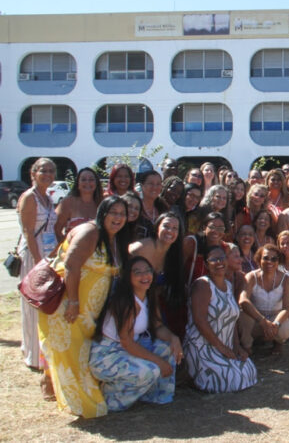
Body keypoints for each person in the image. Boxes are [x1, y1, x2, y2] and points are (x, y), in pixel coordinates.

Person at [39, 196, 129, 418]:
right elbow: (71, 264)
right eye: (113, 212)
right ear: (102, 213)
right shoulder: (91, 232)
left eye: (122, 214)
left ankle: (84, 400)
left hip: (88, 314)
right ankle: (82, 405)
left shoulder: (113, 237)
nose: (118, 218)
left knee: (81, 357)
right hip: (69, 308)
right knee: (71, 358)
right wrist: (73, 302)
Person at [89, 256, 182, 411]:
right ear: (128, 277)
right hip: (107, 354)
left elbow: (158, 326)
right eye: (137, 272)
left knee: (167, 348)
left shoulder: (148, 296)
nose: (144, 276)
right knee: (151, 371)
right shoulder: (127, 302)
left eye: (147, 271)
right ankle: (110, 399)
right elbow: (127, 342)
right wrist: (159, 362)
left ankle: (155, 396)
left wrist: (174, 338)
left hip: (128, 348)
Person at [184, 245, 257, 393]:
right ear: (206, 264)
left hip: (225, 346)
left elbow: (232, 320)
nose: (219, 262)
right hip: (203, 347)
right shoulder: (202, 285)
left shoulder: (228, 286)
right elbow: (200, 321)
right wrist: (221, 347)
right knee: (234, 379)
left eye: (222, 258)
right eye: (214, 259)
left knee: (249, 371)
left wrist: (236, 347)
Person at [18, 158, 58, 370]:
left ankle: (42, 351)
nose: (48, 174)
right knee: (33, 305)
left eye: (51, 171)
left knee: (44, 305)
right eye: (43, 170)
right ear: (33, 173)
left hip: (48, 256)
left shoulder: (48, 198)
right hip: (34, 257)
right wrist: (37, 262)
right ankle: (33, 356)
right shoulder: (29, 198)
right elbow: (28, 232)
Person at [129, 212, 186, 339]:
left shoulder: (173, 255)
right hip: (130, 305)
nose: (170, 231)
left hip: (152, 305)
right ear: (157, 227)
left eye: (175, 228)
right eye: (166, 226)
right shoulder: (141, 248)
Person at [238, 244, 289, 354]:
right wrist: (262, 321)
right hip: (255, 316)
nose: (270, 262)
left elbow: (287, 308)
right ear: (259, 259)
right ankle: (247, 346)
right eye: (266, 258)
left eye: (274, 259)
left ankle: (278, 343)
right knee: (243, 315)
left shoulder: (286, 279)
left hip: (274, 316)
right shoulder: (251, 277)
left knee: (284, 330)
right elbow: (243, 300)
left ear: (278, 261)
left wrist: (276, 324)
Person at [54, 167, 102, 243]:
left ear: (96, 183)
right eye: (83, 179)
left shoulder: (101, 203)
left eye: (91, 179)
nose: (87, 182)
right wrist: (64, 247)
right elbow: (55, 229)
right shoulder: (68, 202)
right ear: (78, 183)